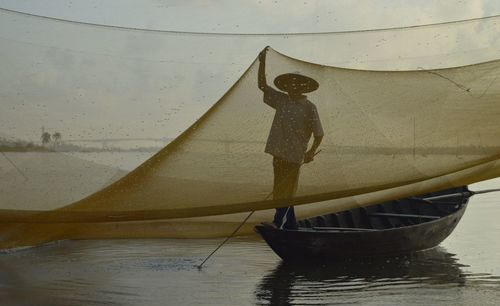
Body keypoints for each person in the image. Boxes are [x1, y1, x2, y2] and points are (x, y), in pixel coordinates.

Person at [258, 47, 324, 229]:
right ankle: (291, 225)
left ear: (303, 87)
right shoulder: (282, 100)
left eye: (297, 85)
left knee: (285, 191)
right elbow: (262, 86)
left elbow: (319, 134)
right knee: (283, 191)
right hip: (278, 153)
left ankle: (278, 222)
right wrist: (262, 63)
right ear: (286, 87)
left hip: (295, 155)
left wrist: (310, 151)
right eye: (290, 85)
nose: (292, 88)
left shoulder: (309, 107)